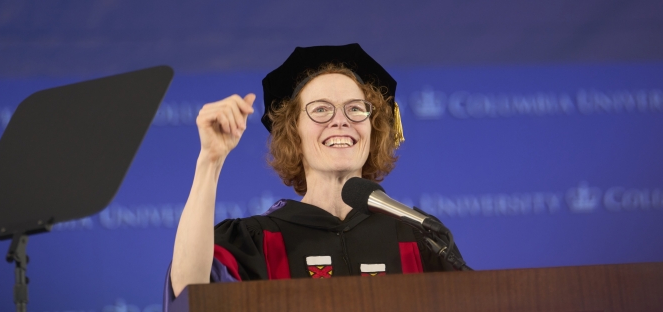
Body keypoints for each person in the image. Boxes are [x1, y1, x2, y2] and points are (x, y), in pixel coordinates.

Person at [171, 44, 461, 298]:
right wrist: (210, 159)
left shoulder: (417, 238)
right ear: (293, 134)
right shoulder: (257, 242)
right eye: (321, 110)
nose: (341, 121)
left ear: (373, 130)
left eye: (355, 109)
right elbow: (189, 292)